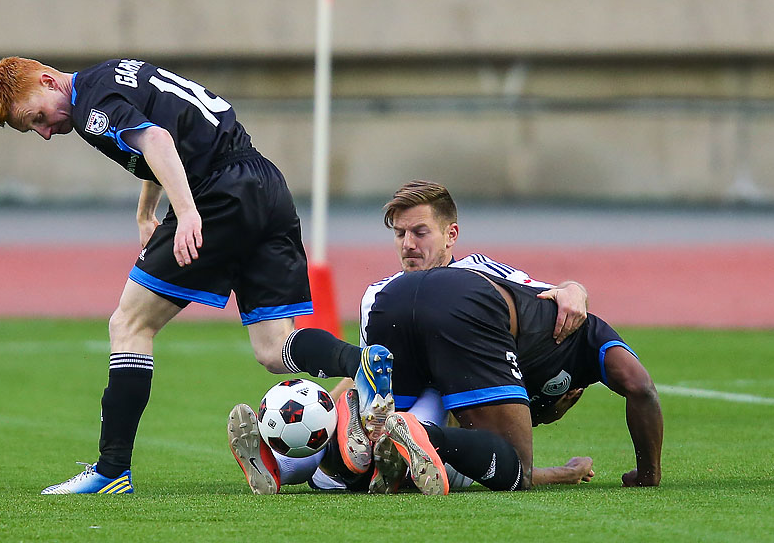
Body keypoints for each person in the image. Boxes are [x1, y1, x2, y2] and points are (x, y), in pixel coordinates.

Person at [0, 57, 367, 494]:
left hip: (218, 192)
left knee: (129, 324)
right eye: (34, 129)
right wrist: (147, 210)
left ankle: (111, 470)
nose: (46, 132)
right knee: (274, 349)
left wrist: (184, 212)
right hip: (264, 183)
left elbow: (157, 139)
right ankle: (363, 365)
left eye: (37, 117)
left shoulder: (91, 104)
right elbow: (160, 136)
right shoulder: (111, 74)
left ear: (49, 81)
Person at [228, 181, 594, 493]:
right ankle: (286, 462)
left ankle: (294, 463)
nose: (407, 245)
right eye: (400, 234)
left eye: (419, 233)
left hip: (436, 420)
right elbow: (365, 371)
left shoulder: (478, 272)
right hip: (405, 422)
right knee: (378, 420)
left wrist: (574, 289)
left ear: (451, 235)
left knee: (421, 403)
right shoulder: (380, 294)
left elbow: (543, 294)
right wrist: (332, 406)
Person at [364, 265, 664, 489]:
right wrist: (646, 474)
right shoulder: (591, 335)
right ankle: (424, 433)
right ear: (570, 394)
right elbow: (641, 386)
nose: (534, 421)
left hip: (390, 296)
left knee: (369, 454)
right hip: (463, 304)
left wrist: (574, 286)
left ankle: (330, 457)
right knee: (515, 467)